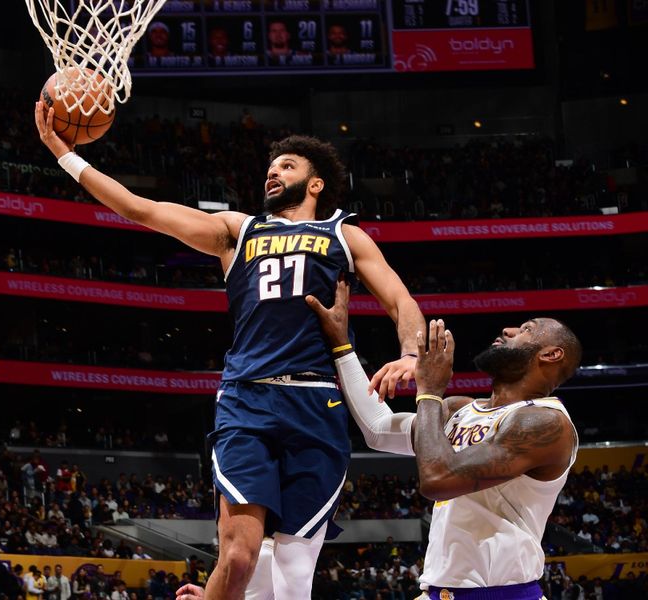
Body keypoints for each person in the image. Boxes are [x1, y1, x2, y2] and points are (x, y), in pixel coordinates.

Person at [35, 109, 424, 600]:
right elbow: (141, 208)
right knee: (238, 555)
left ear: (316, 183)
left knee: (291, 572)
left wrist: (410, 352)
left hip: (317, 404)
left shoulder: (344, 235)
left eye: (286, 166)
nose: (273, 172)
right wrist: (64, 155)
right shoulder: (236, 231)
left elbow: (400, 300)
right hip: (247, 401)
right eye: (271, 166)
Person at [306, 279, 582, 599]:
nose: (508, 330)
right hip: (438, 591)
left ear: (551, 354)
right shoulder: (460, 408)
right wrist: (341, 345)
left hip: (501, 593)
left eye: (526, 329)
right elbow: (378, 430)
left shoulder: (544, 422)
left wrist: (428, 393)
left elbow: (438, 479)